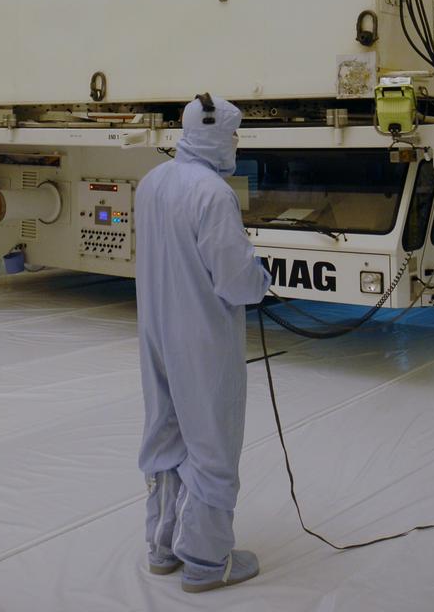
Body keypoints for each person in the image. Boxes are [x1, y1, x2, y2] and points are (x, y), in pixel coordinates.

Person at [135, 93, 271, 593]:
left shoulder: (152, 182)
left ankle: (162, 545)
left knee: (164, 433)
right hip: (203, 337)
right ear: (216, 134)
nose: (235, 143)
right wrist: (260, 278)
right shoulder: (212, 192)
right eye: (234, 134)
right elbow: (235, 280)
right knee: (211, 440)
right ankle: (208, 561)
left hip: (155, 329)